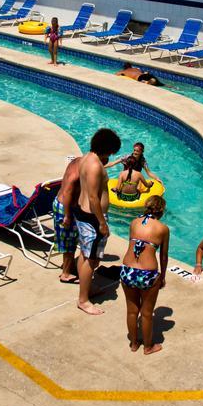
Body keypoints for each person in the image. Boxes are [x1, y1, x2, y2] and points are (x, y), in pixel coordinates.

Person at [72, 128, 122, 315]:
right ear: (106, 148)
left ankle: (88, 289)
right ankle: (83, 300)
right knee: (90, 259)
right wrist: (102, 223)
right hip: (92, 217)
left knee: (85, 255)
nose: (111, 155)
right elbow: (93, 198)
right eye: (111, 151)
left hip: (84, 213)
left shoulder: (86, 158)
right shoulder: (94, 166)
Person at [120, 196, 169, 355]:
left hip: (127, 270)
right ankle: (148, 347)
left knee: (132, 311)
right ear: (161, 210)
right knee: (147, 314)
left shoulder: (134, 223)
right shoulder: (162, 228)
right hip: (147, 273)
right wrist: (162, 277)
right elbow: (163, 256)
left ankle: (134, 344)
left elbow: (133, 246)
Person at [54, 156, 83, 284]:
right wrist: (67, 215)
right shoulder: (78, 173)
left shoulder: (78, 161)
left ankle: (68, 267)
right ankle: (65, 274)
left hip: (63, 205)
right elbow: (67, 193)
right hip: (66, 208)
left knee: (70, 240)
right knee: (69, 242)